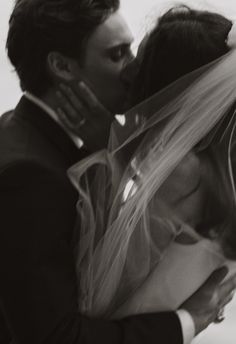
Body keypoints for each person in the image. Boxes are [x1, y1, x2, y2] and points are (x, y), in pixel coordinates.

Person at [0, 1, 234, 344]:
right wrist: (187, 320)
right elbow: (55, 335)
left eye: (132, 51)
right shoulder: (27, 176)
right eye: (118, 54)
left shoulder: (26, 132)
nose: (132, 70)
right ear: (62, 66)